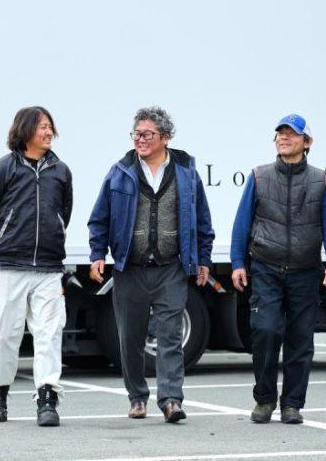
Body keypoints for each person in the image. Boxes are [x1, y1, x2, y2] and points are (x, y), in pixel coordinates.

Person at [88, 106, 215, 423]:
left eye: (147, 134)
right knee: (130, 337)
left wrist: (203, 260)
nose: (140, 139)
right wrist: (97, 254)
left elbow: (202, 220)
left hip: (171, 268)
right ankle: (137, 398)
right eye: (136, 133)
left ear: (165, 137)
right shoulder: (120, 171)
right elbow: (99, 218)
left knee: (170, 336)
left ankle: (171, 400)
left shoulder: (187, 173)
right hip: (129, 268)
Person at [230, 113, 326, 425]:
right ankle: (264, 399)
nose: (284, 137)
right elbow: (242, 223)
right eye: (280, 133)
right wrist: (238, 263)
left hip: (306, 271)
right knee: (266, 331)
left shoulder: (321, 180)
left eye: (291, 133)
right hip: (265, 268)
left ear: (307, 142)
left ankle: (292, 405)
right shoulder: (259, 176)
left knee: (300, 340)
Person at [0, 106, 73, 427]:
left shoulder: (61, 171)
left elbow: (64, 213)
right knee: (5, 334)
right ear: (25, 130)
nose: (49, 132)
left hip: (49, 267)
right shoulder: (2, 170)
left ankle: (47, 399)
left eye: (50, 126)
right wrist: (2, 245)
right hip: (9, 266)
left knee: (49, 334)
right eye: (42, 126)